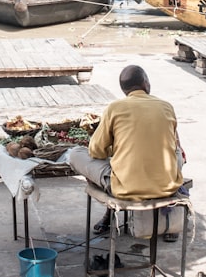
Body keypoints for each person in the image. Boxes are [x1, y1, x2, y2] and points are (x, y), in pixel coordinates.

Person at [69, 65, 185, 240]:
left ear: (124, 90)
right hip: (166, 186)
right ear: (146, 83)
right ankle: (163, 221)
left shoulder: (115, 108)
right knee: (177, 152)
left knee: (76, 153)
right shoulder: (166, 106)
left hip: (125, 189)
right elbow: (174, 144)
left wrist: (113, 149)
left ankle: (109, 210)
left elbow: (96, 151)